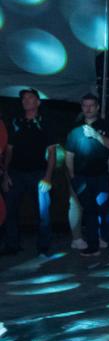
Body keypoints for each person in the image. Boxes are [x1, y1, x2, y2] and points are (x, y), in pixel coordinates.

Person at [65, 93, 109, 257]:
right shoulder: (75, 130)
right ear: (81, 107)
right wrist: (73, 178)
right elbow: (69, 156)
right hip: (82, 178)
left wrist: (97, 136)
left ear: (97, 107)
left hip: (102, 177)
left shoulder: (107, 126)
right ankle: (93, 246)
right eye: (85, 105)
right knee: (89, 212)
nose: (88, 108)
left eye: (91, 105)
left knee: (107, 212)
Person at [1, 89, 56, 256]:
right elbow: (9, 149)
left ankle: (44, 246)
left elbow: (52, 152)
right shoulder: (16, 122)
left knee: (43, 212)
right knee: (10, 210)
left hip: (38, 173)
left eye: (30, 98)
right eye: (23, 98)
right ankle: (12, 245)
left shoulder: (46, 123)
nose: (26, 100)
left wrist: (48, 177)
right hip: (15, 173)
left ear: (38, 102)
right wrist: (5, 174)